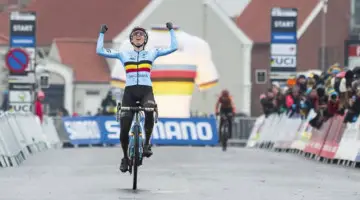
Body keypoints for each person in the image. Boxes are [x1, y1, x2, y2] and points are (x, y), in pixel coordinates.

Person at [96, 22, 178, 173]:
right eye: (135, 35)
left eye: (141, 35)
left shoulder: (152, 53)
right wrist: (102, 33)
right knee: (124, 129)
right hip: (130, 93)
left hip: (146, 91)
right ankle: (125, 158)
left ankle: (146, 144)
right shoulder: (124, 54)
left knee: (149, 110)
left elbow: (173, 47)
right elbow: (100, 50)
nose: (138, 37)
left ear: (145, 39)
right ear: (131, 40)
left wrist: (171, 30)